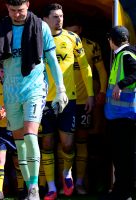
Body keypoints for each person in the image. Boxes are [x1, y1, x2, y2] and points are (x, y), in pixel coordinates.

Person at [0, 0, 68, 199]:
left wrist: (61, 89)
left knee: (31, 135)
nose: (17, 14)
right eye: (13, 10)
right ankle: (30, 183)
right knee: (20, 141)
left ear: (28, 5)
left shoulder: (41, 27)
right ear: (6, 8)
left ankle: (34, 189)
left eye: (21, 10)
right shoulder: (0, 30)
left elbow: (52, 60)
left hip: (35, 89)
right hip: (11, 91)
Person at [41, 4, 94, 199]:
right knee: (46, 143)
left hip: (68, 100)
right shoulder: (38, 40)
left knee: (68, 145)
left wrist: (90, 94)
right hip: (44, 101)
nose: (59, 20)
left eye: (61, 16)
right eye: (55, 17)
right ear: (46, 19)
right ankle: (52, 187)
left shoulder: (72, 38)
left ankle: (66, 173)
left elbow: (86, 68)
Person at [65, 18, 108, 195]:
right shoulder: (56, 43)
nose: (72, 34)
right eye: (69, 31)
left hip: (84, 102)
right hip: (64, 102)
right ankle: (63, 184)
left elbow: (101, 70)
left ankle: (80, 183)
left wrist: (102, 91)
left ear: (80, 29)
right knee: (64, 144)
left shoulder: (91, 46)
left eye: (75, 31)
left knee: (82, 141)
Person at [104, 25, 136, 200]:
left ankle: (123, 192)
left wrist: (121, 84)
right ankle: (121, 190)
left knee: (123, 155)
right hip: (120, 114)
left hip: (125, 115)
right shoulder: (125, 53)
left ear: (112, 41)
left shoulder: (126, 54)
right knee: (122, 155)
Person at [0, 65, 25, 200]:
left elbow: (22, 105)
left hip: (15, 127)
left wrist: (7, 111)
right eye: (1, 70)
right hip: (0, 129)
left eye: (6, 70)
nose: (3, 73)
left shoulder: (17, 85)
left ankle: (22, 190)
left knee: (18, 161)